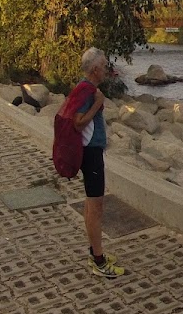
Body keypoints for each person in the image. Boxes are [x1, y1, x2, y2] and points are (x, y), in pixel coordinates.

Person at [74, 47, 125, 279]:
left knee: (90, 205)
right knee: (96, 208)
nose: (106, 69)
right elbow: (77, 123)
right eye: (104, 65)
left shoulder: (86, 88)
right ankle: (98, 260)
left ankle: (94, 251)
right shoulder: (87, 92)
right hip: (90, 154)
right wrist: (98, 103)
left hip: (90, 152)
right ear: (95, 69)